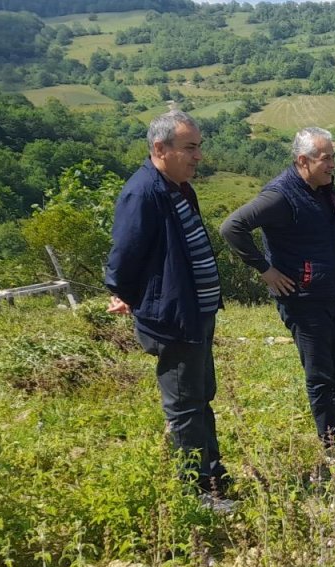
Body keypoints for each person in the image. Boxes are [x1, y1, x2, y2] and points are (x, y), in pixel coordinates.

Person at [105, 110, 234, 511]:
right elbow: (123, 258)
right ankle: (198, 492)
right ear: (160, 149)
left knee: (201, 397)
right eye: (190, 148)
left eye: (199, 147)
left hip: (195, 315)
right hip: (174, 319)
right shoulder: (142, 193)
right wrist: (129, 294)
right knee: (184, 406)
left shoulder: (177, 187)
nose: (198, 156)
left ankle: (214, 478)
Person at [220, 127, 335, 463]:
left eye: (333, 156)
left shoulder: (322, 189)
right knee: (321, 375)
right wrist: (265, 269)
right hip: (303, 300)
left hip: (331, 294)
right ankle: (334, 448)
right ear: (302, 160)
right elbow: (232, 227)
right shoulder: (280, 196)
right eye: (325, 157)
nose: (333, 164)